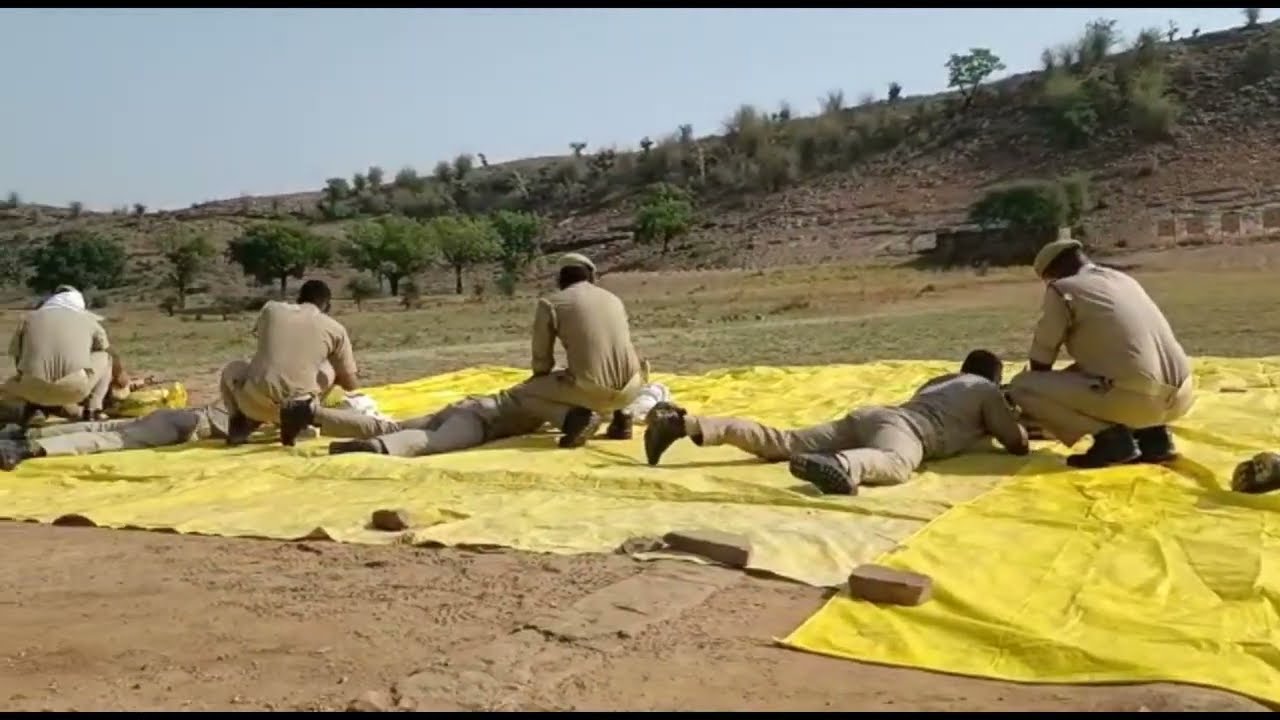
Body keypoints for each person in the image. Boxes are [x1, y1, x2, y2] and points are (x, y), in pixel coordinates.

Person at [643, 349, 1029, 496]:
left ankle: (687, 424)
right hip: (908, 432)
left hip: (873, 415)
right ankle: (842, 465)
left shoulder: (941, 381)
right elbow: (1016, 443)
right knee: (895, 465)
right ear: (995, 377)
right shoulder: (986, 390)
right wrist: (1018, 416)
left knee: (783, 440)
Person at [1006, 239, 1194, 469]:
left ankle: (1111, 440)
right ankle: (1155, 438)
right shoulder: (1124, 280)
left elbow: (1042, 359)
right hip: (1182, 395)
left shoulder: (1063, 288)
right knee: (1116, 374)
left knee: (1022, 387)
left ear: (1052, 272)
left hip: (1139, 401)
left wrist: (1037, 408)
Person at [507, 252, 646, 448]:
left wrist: (541, 382)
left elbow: (542, 359)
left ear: (560, 278)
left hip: (593, 390)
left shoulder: (551, 303)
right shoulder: (614, 299)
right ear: (591, 277)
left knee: (521, 393)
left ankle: (571, 420)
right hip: (632, 388)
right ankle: (622, 416)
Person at [219, 279, 361, 446]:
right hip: (298, 407)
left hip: (253, 402)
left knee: (234, 367)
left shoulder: (271, 310)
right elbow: (350, 385)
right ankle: (299, 423)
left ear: (299, 298)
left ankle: (239, 423)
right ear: (327, 305)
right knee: (328, 368)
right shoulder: (336, 329)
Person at [1, 285, 113, 424]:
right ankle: (93, 410)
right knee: (106, 357)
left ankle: (33, 408)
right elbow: (102, 348)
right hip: (74, 390)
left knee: (9, 385)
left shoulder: (28, 318)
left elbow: (17, 359)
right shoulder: (88, 320)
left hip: (30, 390)